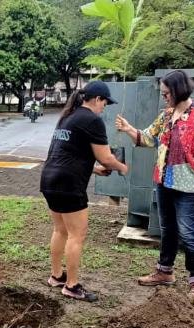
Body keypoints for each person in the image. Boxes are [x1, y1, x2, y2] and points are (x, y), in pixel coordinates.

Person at [115, 69, 194, 303]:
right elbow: (148, 138)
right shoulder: (166, 116)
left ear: (178, 90)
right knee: (168, 229)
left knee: (189, 233)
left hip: (189, 185)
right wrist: (129, 129)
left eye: (166, 93)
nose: (164, 97)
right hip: (164, 181)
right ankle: (165, 272)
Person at [40, 81, 128, 302]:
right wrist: (123, 167)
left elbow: (67, 153)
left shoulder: (67, 117)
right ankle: (71, 285)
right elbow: (106, 157)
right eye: (105, 103)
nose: (104, 108)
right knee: (76, 235)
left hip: (50, 179)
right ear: (97, 99)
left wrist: (95, 170)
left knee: (60, 230)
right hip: (69, 185)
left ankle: (56, 276)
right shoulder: (92, 120)